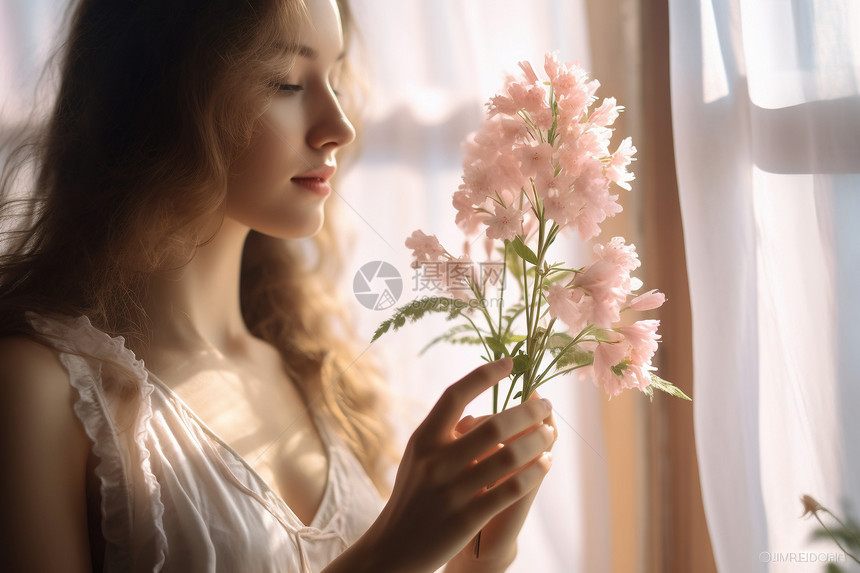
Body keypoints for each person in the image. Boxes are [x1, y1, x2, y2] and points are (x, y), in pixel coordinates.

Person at [0, 0, 557, 571]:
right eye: (286, 82)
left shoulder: (311, 371)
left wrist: (474, 559)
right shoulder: (40, 388)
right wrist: (391, 552)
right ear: (157, 94)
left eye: (336, 77)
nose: (339, 127)